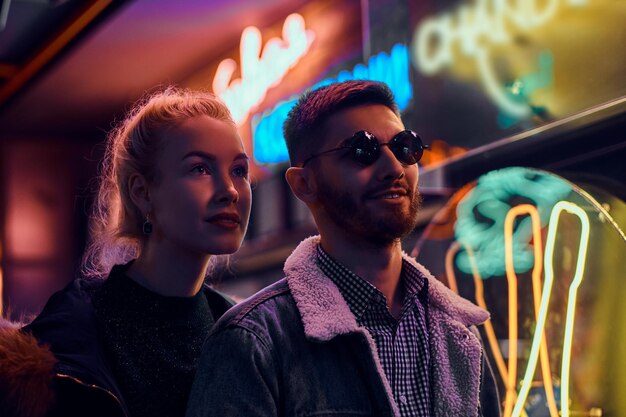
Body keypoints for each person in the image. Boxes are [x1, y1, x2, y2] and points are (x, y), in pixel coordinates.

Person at [186, 80, 501, 417]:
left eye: (403, 147)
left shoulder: (459, 334)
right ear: (304, 184)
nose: (394, 168)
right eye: (362, 151)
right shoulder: (253, 341)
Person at [0, 88, 252, 417]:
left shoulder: (246, 331)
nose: (230, 190)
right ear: (142, 192)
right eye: (200, 169)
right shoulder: (62, 343)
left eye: (239, 171)